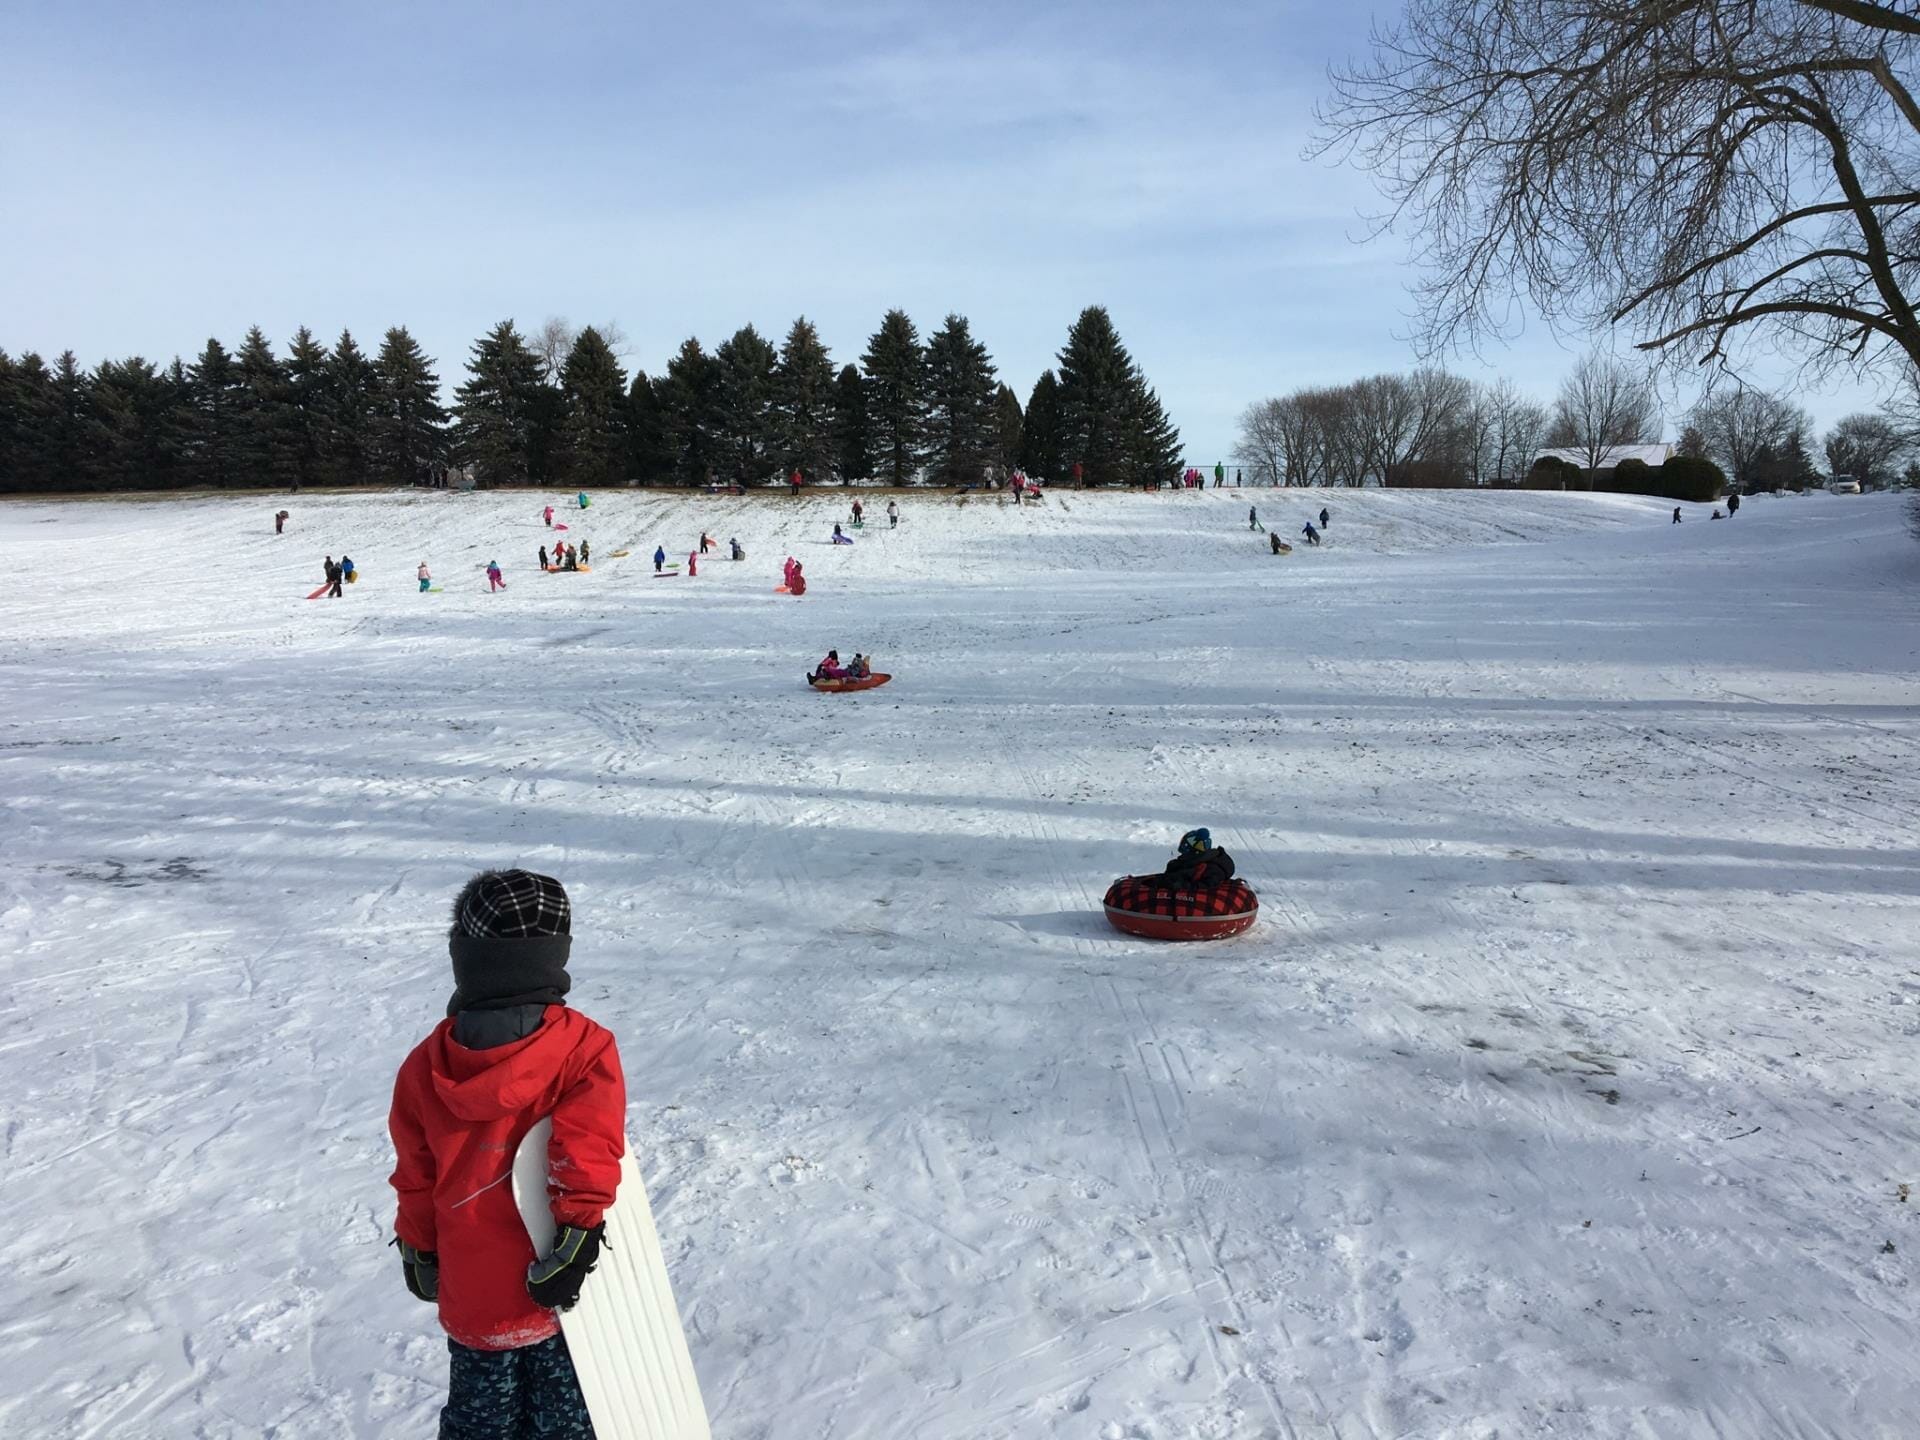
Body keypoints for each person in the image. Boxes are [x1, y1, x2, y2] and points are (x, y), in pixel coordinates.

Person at [387, 869, 621, 1440]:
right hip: (556, 1289)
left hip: (475, 1298)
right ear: (554, 954)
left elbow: (417, 1176)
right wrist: (577, 1237)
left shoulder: (426, 1066)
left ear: (463, 957)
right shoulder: (583, 1049)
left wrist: (418, 1245)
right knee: (561, 1423)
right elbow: (583, 1153)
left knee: (480, 1423)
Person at [1157, 829, 1236, 889]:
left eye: (1185, 854)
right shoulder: (1190, 862)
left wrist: (1181, 885)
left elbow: (1206, 887)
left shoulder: (1213, 868)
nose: (1183, 856)